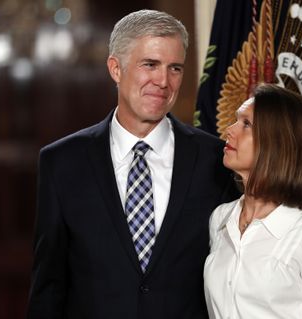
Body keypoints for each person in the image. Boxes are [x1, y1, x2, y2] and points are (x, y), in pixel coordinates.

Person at [27, 9, 239, 319]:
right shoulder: (62, 163)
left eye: (175, 68)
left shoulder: (216, 160)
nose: (163, 81)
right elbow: (48, 287)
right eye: (150, 65)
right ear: (116, 68)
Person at [204, 84, 302, 319]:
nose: (229, 130)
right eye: (236, 120)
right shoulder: (221, 219)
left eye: (246, 124)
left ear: (278, 143)